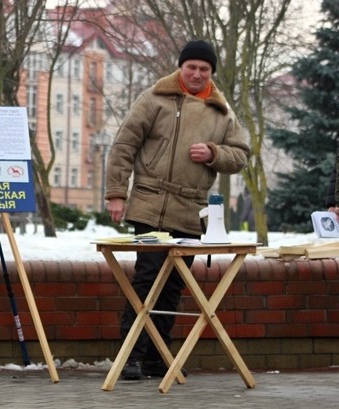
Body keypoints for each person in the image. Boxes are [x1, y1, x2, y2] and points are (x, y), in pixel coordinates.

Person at [104, 40, 250, 380]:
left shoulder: (221, 111)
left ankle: (158, 356)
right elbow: (124, 145)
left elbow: (241, 155)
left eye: (204, 69)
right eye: (192, 67)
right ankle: (130, 357)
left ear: (212, 73)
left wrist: (214, 153)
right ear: (180, 67)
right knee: (147, 280)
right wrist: (116, 193)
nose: (197, 74)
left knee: (173, 286)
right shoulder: (154, 98)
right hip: (150, 204)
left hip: (190, 209)